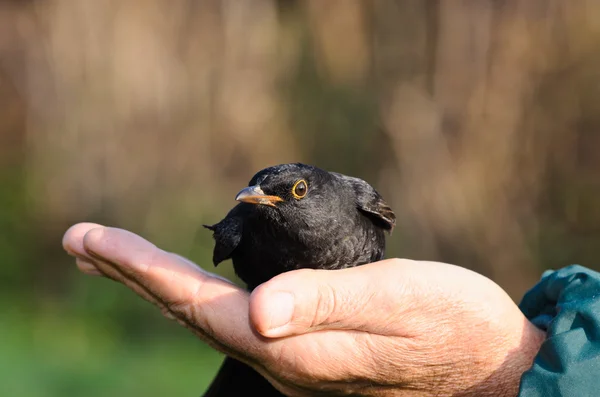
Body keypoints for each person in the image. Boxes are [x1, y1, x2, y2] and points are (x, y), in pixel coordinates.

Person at [62, 222, 600, 396]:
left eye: (292, 192)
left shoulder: (357, 201)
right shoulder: (247, 220)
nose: (259, 204)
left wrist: (506, 367)